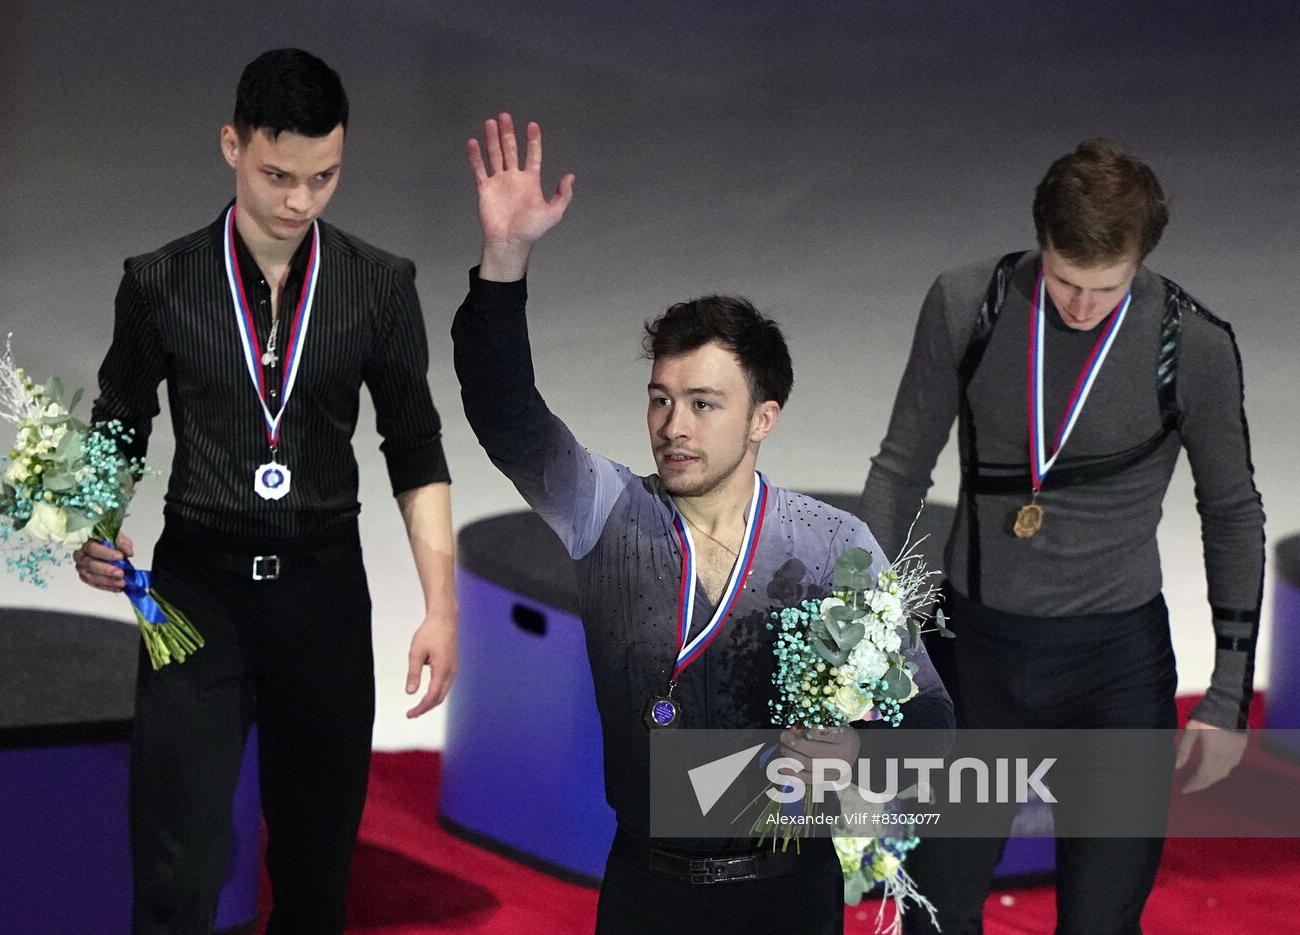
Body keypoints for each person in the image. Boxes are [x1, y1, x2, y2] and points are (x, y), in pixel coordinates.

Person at [452, 113, 954, 935]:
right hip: (647, 890)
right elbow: (506, 414)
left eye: (703, 404)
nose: (673, 425)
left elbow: (931, 720)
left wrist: (862, 755)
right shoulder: (606, 509)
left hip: (787, 894)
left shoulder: (831, 546)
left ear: (763, 417)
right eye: (661, 399)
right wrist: (504, 262)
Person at [73, 49, 458, 935]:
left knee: (317, 877)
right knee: (177, 870)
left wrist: (441, 605)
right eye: (277, 174)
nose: (299, 200)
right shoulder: (159, 282)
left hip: (323, 593)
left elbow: (415, 444)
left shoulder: (379, 286)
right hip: (195, 593)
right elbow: (121, 420)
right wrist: (96, 525)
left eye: (324, 177)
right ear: (231, 146)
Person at [857, 138, 1265, 934]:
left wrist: (1227, 695)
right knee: (933, 912)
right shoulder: (967, 304)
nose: (1080, 306)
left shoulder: (1195, 346)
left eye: (1106, 288)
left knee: (1100, 922)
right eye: (1065, 279)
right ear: (1040, 239)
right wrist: (865, 641)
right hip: (975, 659)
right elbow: (900, 471)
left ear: (1142, 259)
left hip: (1115, 671)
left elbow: (1233, 512)